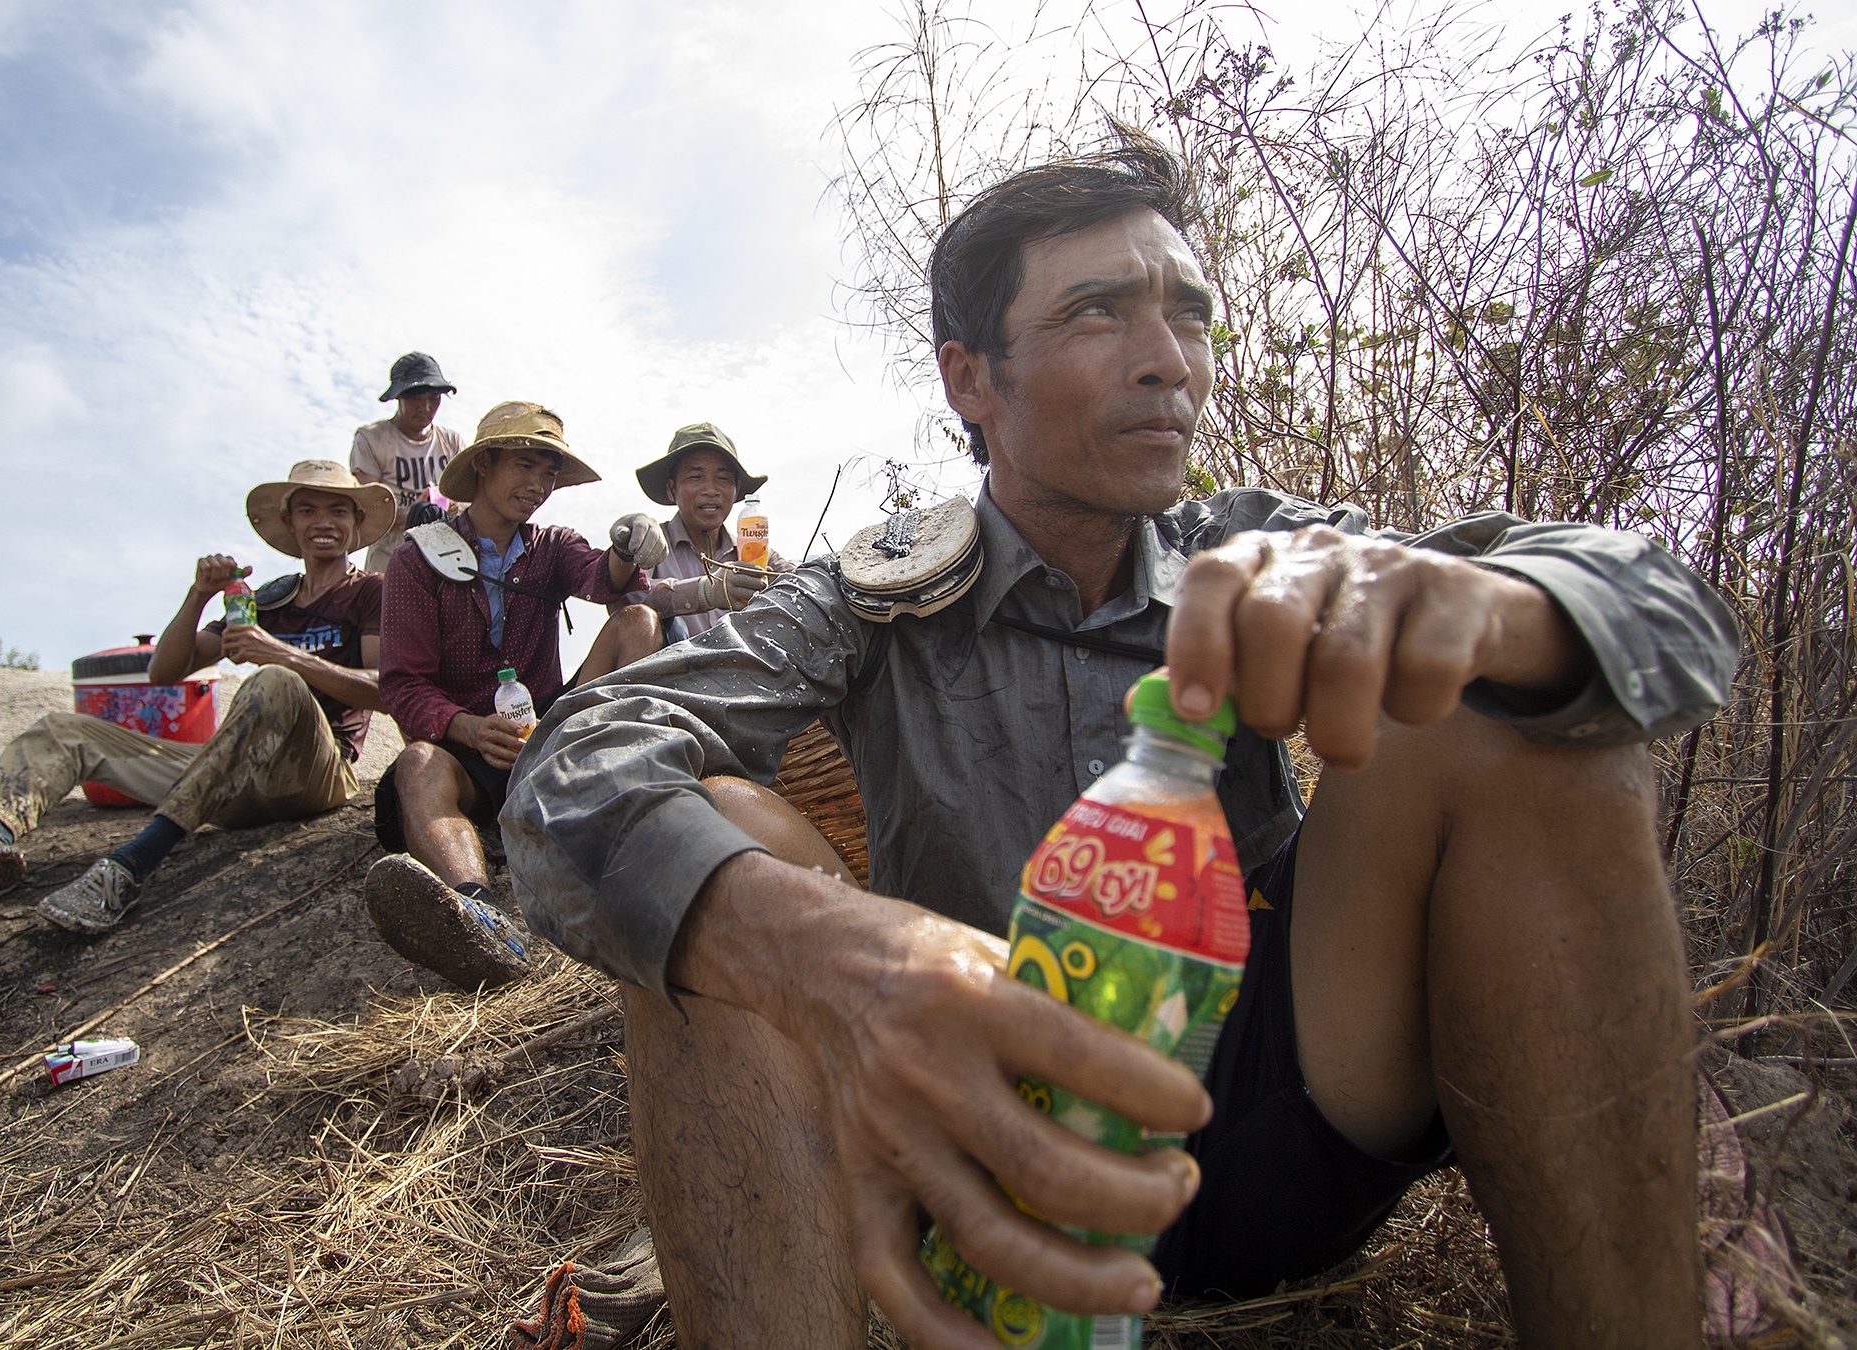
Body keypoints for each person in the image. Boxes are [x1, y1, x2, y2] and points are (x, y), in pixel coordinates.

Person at [497, 131, 1740, 1349]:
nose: (1169, 363)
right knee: (711, 846)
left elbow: (1677, 622)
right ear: (969, 379)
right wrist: (815, 949)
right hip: (978, 1143)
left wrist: (1494, 615)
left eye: (1188, 314)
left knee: (1509, 715)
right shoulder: (864, 599)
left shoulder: (1254, 542)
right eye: (1097, 314)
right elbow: (575, 761)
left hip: (1275, 1116)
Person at [0, 461, 395, 934]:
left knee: (274, 683)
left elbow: (386, 690)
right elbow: (164, 673)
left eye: (337, 509)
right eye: (309, 509)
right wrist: (197, 596)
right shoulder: (265, 600)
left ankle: (128, 866)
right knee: (60, 728)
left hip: (316, 773)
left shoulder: (368, 594)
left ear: (356, 522)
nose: (324, 521)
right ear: (290, 524)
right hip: (231, 774)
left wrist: (284, 657)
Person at [362, 400, 666, 992]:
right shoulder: (415, 559)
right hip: (472, 751)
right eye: (524, 466)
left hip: (547, 733)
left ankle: (616, 794)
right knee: (418, 763)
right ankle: (477, 914)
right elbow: (402, 685)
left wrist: (630, 549)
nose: (538, 485)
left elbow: (601, 579)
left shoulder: (552, 544)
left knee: (639, 624)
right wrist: (467, 727)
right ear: (484, 465)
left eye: (549, 473)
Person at [617, 422, 791, 642]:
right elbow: (633, 604)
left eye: (723, 479)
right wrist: (704, 592)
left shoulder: (754, 552)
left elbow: (799, 581)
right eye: (695, 477)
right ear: (672, 489)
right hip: (667, 675)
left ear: (736, 488)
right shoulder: (650, 544)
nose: (711, 490)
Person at [350, 351, 465, 572]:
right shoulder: (372, 439)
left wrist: (451, 506)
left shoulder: (451, 442)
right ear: (398, 397)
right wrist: (416, 512)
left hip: (445, 561)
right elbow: (369, 508)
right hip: (389, 563)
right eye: (416, 398)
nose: (426, 408)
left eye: (434, 398)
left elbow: (472, 501)